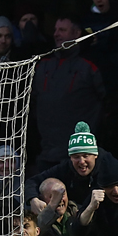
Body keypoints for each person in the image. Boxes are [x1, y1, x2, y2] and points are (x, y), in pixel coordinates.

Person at [31, 17, 105, 169]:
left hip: (78, 155)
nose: (57, 34)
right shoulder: (43, 65)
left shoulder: (91, 64)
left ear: (77, 33)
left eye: (62, 30)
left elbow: (106, 101)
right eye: (55, 30)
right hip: (45, 152)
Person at [26, 122, 118, 211]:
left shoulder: (110, 166)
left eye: (85, 156)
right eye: (76, 157)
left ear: (95, 155)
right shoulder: (66, 167)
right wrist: (33, 199)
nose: (81, 162)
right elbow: (32, 181)